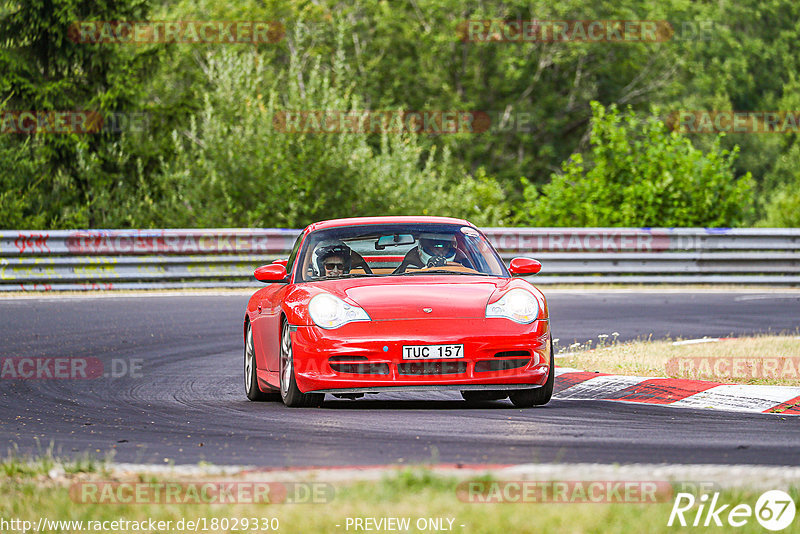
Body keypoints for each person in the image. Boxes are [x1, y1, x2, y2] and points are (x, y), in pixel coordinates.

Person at [394, 233, 468, 273]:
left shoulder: (462, 264)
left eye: (444, 249)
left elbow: (474, 273)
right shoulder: (410, 265)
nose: (440, 254)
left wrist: (446, 263)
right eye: (435, 248)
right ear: (421, 247)